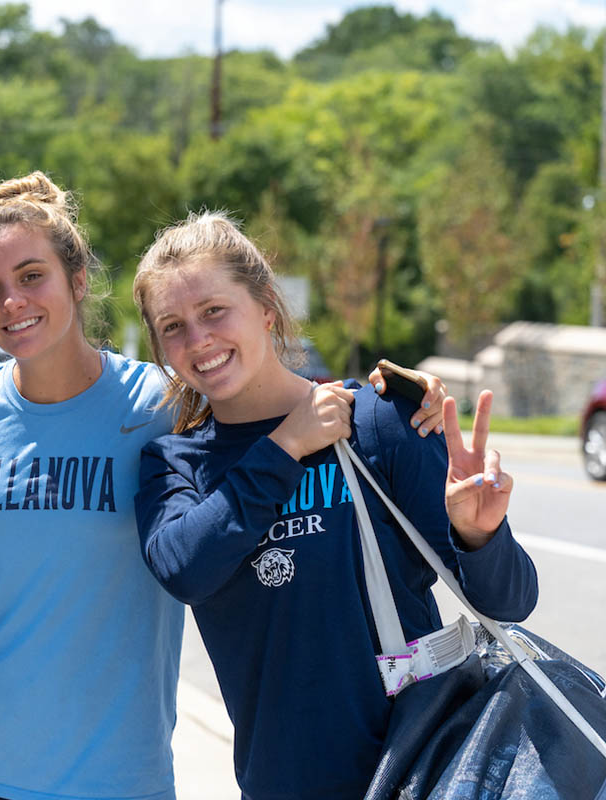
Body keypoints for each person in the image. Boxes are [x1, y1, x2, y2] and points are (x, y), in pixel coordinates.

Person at [0, 173, 448, 800]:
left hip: (120, 779)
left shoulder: (163, 404)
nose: (12, 302)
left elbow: (259, 393)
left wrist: (397, 397)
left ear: (78, 279)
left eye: (31, 276)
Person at [130, 211, 539, 800]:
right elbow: (186, 569)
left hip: (419, 772)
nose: (198, 340)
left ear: (266, 306)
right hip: (280, 784)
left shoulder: (379, 421)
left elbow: (510, 602)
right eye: (173, 326)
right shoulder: (174, 464)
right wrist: (285, 447)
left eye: (214, 310)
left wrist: (480, 537)